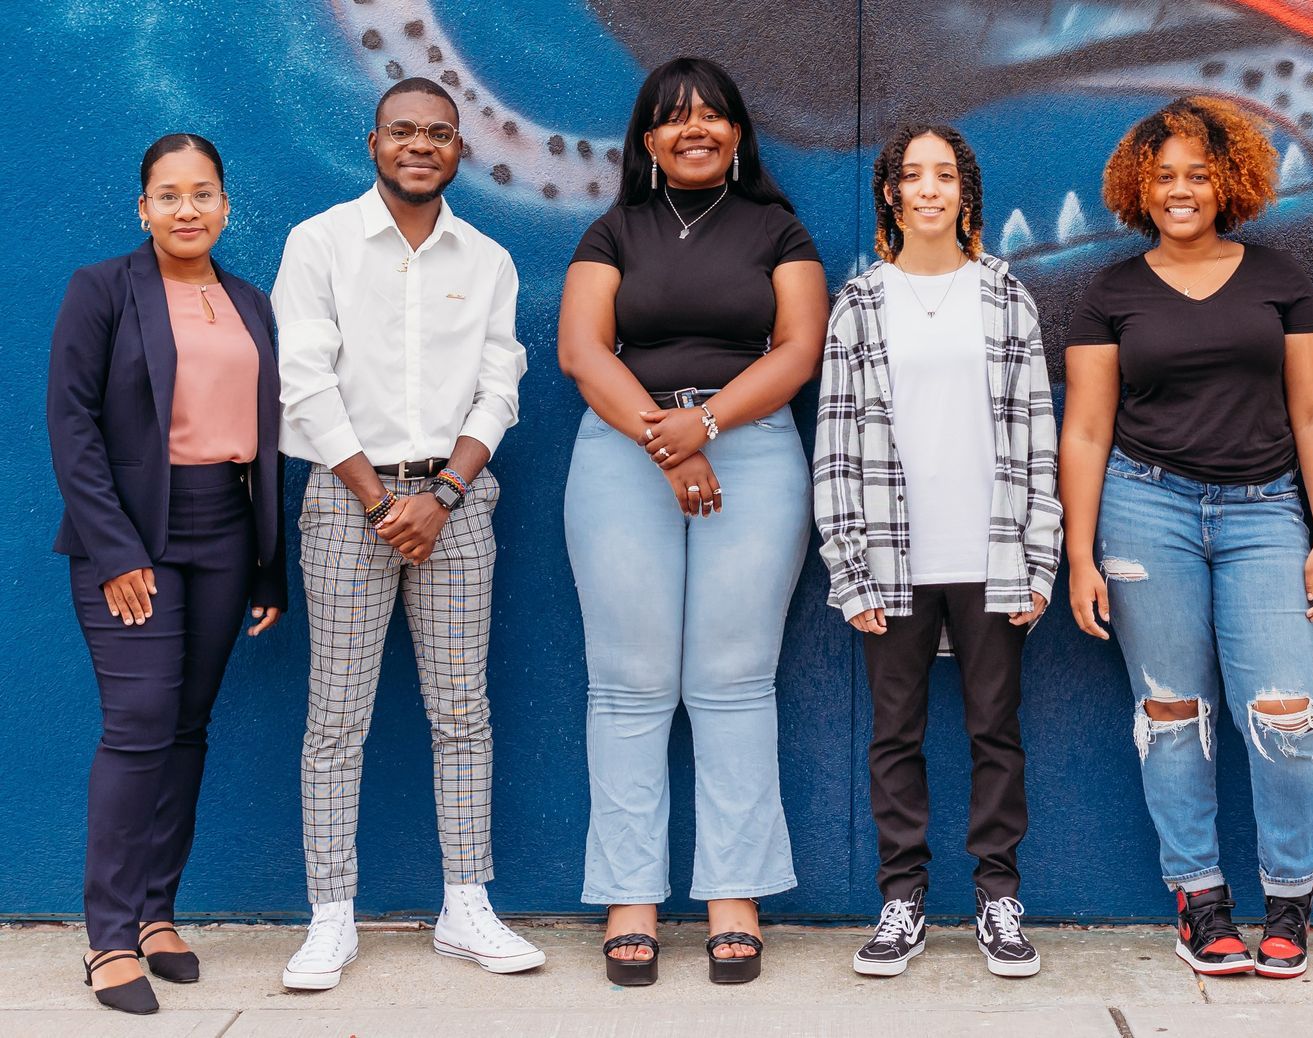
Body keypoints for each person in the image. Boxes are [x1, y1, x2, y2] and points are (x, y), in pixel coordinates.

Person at [557, 56, 827, 987]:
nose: (695, 130)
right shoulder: (612, 230)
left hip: (750, 448)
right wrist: (668, 440)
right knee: (628, 683)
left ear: (739, 134)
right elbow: (583, 351)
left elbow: (798, 350)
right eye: (674, 120)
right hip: (622, 450)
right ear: (648, 142)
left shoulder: (777, 229)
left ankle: (733, 895)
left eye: (713, 115)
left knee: (734, 680)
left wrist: (706, 425)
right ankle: (631, 898)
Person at [1061, 96, 1313, 979]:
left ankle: (1289, 903)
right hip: (1145, 509)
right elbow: (1085, 431)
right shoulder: (1109, 292)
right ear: (1136, 188)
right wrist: (1078, 555)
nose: (1180, 190)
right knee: (1172, 714)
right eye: (1164, 176)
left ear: (1231, 182)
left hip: (1266, 513)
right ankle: (1202, 901)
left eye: (1197, 174)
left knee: (1286, 715)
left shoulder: (1281, 277)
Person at [274, 77, 535, 990]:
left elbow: (499, 387)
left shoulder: (489, 259)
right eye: (403, 132)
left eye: (439, 133)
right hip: (348, 501)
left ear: (460, 149)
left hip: (455, 506)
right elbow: (304, 384)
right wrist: (382, 501)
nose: (420, 145)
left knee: (463, 711)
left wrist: (445, 493)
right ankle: (331, 917)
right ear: (373, 142)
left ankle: (466, 906)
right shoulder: (320, 244)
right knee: (336, 717)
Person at [815, 124, 1062, 979]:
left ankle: (998, 897)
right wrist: (849, 568)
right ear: (890, 193)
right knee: (896, 733)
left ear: (965, 193)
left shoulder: (1004, 294)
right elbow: (836, 444)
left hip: (990, 554)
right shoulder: (860, 302)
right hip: (890, 559)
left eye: (945, 175)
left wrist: (1039, 560)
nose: (929, 189)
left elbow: (1038, 434)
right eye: (912, 176)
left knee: (996, 729)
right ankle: (902, 900)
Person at [49, 133, 285, 1015]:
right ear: (142, 206)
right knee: (140, 721)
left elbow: (264, 443)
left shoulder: (252, 303)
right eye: (169, 194)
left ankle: (156, 914)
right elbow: (71, 425)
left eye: (205, 193)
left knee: (187, 725)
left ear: (227, 206)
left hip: (226, 532)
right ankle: (108, 938)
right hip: (133, 535)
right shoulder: (103, 291)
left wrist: (269, 570)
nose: (188, 209)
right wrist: (115, 553)